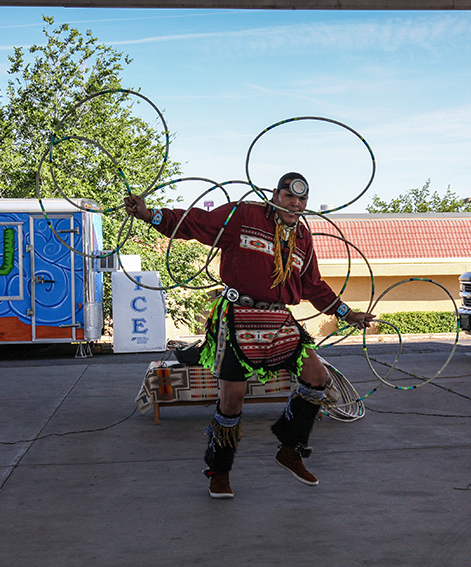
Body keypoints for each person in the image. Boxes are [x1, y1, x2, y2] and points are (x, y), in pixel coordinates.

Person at [124, 173, 375, 499]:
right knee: (232, 400)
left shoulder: (302, 235)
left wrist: (348, 314)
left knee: (317, 376)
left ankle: (291, 448)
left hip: (278, 318)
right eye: (289, 196)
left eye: (302, 200)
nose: (295, 204)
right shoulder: (244, 215)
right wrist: (149, 214)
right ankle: (219, 471)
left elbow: (313, 284)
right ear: (275, 194)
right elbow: (197, 223)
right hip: (238, 317)